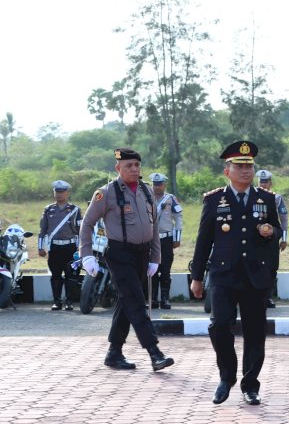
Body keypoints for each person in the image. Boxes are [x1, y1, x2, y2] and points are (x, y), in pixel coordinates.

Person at [190, 141, 282, 406]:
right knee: (219, 325)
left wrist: (270, 232)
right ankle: (226, 377)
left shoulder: (266, 199)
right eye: (239, 166)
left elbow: (276, 233)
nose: (245, 171)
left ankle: (250, 384)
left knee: (254, 331)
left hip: (256, 276)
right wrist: (197, 276)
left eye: (249, 166)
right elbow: (203, 241)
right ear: (226, 171)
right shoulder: (214, 199)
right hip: (223, 275)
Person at [80, 148, 174, 372]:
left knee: (126, 302)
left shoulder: (146, 190)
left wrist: (155, 256)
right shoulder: (106, 193)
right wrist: (86, 255)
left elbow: (153, 226)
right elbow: (87, 223)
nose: (134, 169)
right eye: (128, 166)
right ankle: (154, 352)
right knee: (136, 301)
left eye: (137, 165)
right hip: (119, 254)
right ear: (118, 168)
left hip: (142, 254)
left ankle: (114, 352)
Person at [38, 180, 82, 311]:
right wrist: (40, 247)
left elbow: (80, 231)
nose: (59, 194)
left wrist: (81, 248)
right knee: (55, 275)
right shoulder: (48, 209)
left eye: (62, 192)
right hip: (55, 247)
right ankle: (57, 301)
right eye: (57, 192)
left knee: (71, 276)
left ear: (67, 193)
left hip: (71, 247)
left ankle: (69, 301)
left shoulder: (75, 210)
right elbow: (42, 230)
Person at [149, 173, 183, 310]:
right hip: (150, 240)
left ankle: (165, 299)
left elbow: (178, 218)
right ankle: (152, 299)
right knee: (151, 270)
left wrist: (177, 238)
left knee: (165, 270)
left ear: (164, 185)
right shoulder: (146, 198)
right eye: (155, 184)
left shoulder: (171, 199)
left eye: (159, 184)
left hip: (166, 239)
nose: (157, 187)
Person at [256, 169, 288, 308]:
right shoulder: (250, 196)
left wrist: (284, 239)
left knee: (271, 267)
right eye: (261, 182)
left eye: (266, 182)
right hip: (254, 238)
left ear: (270, 183)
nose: (263, 184)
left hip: (272, 238)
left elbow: (284, 220)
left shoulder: (277, 198)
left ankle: (268, 297)